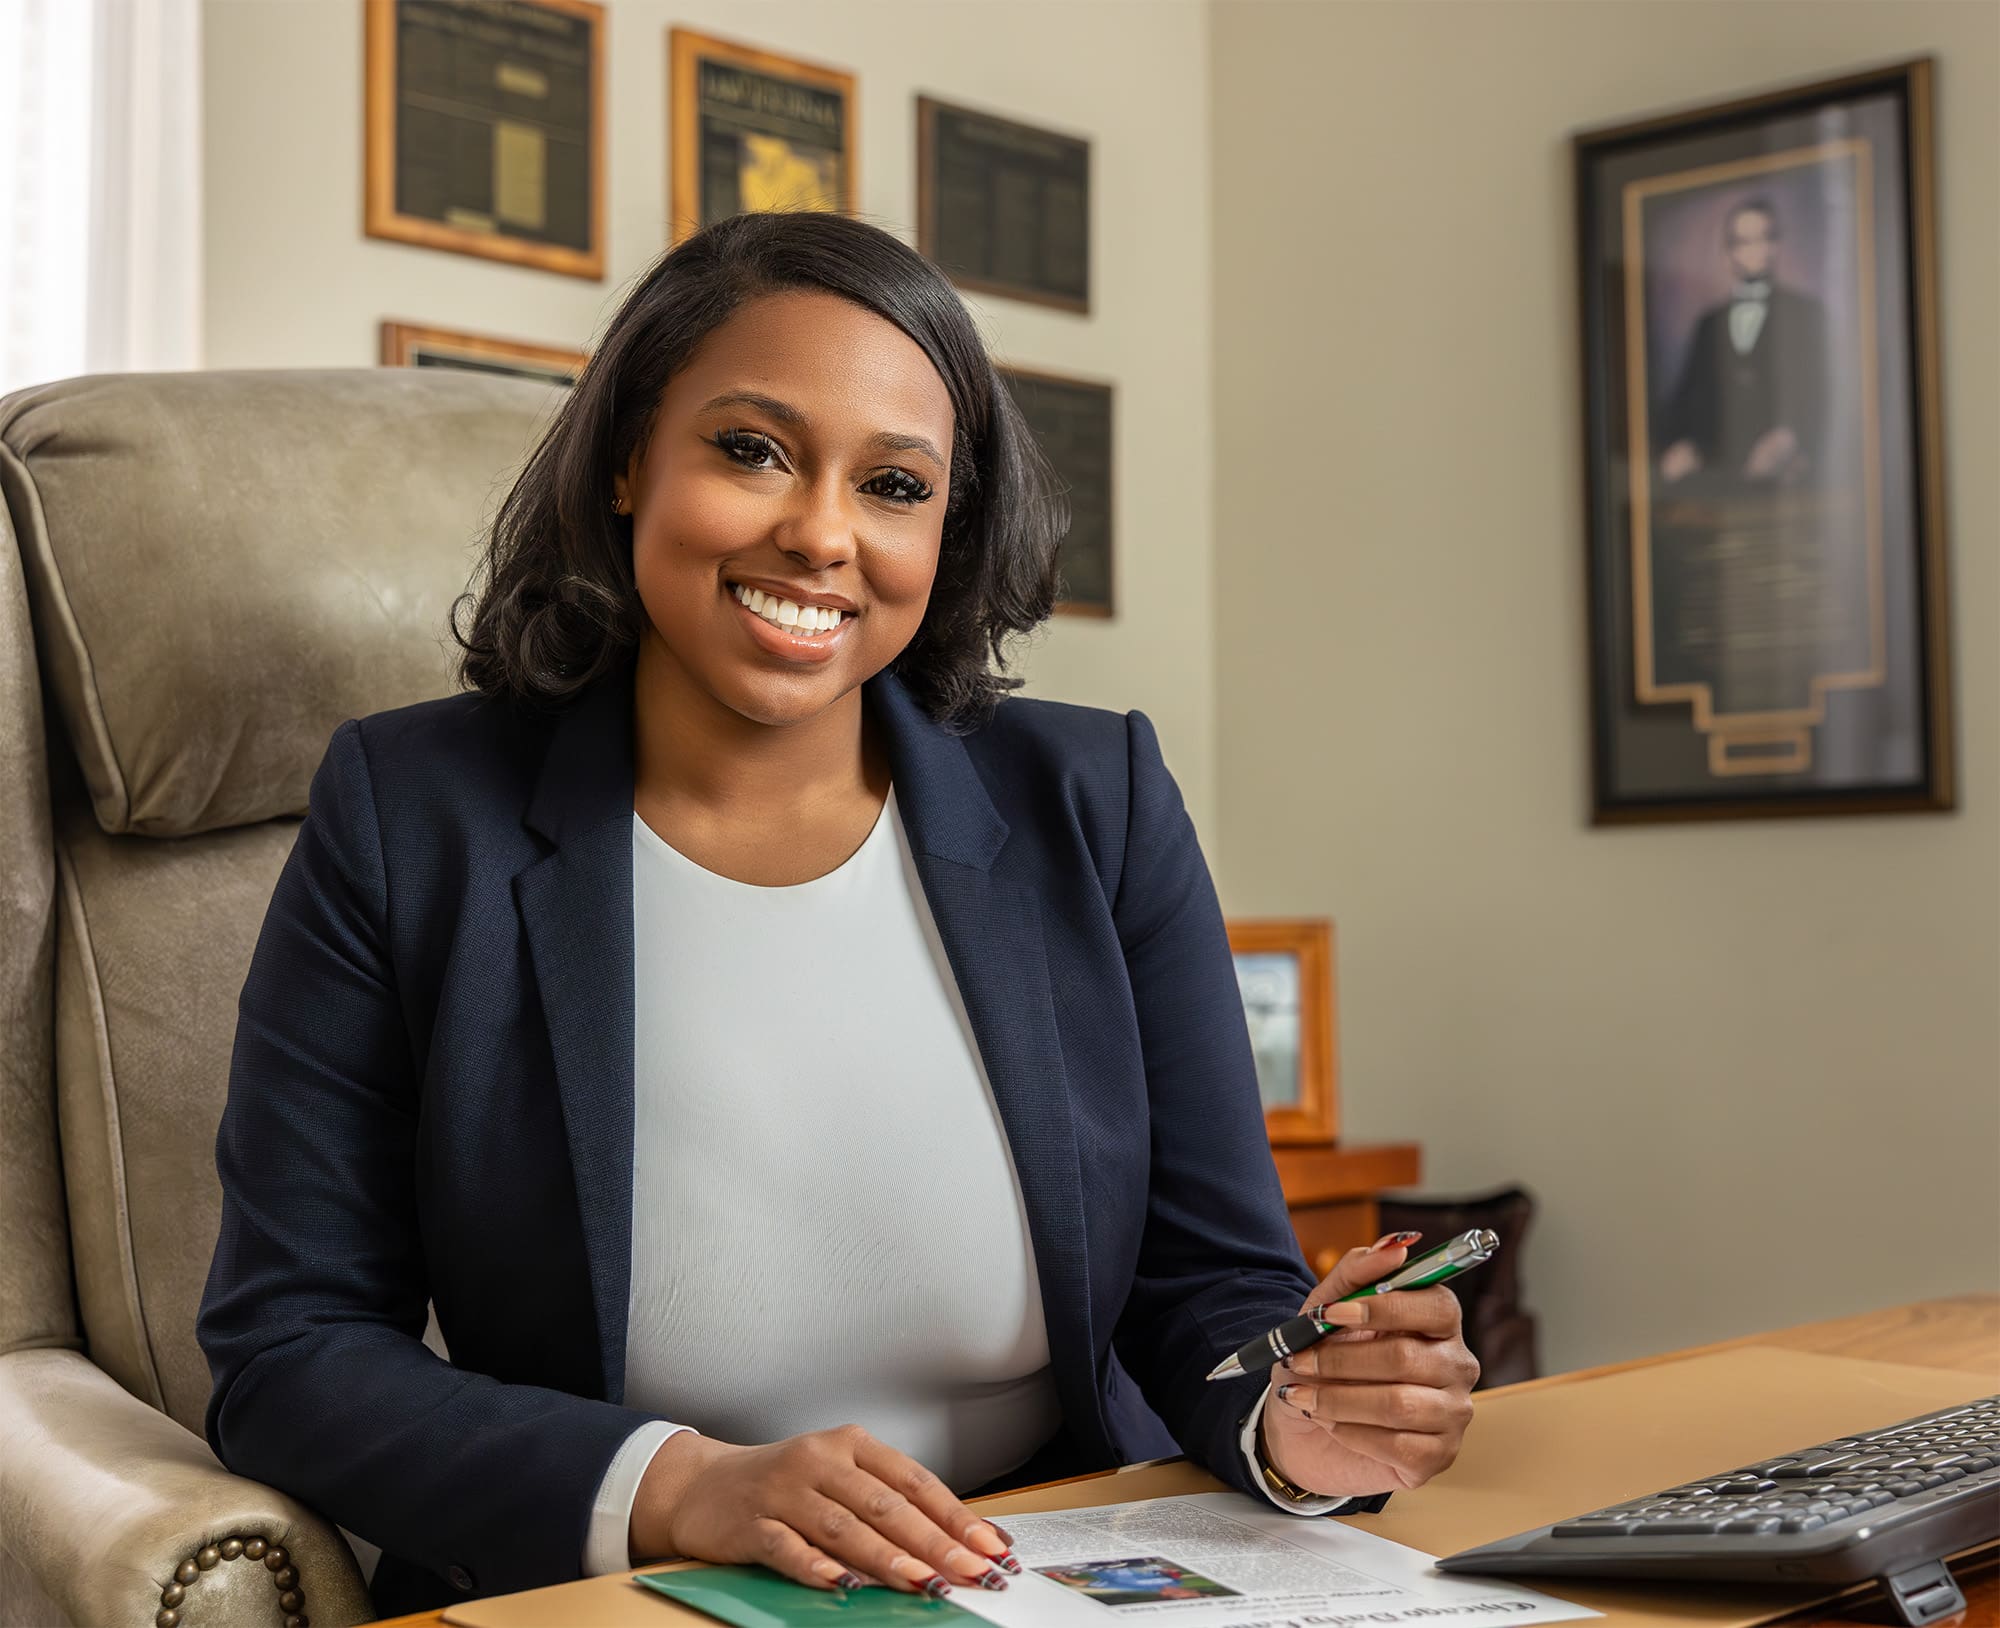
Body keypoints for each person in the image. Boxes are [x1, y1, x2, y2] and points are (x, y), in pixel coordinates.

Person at [195, 211, 1477, 1619]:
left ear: (949, 528)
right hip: (633, 1587)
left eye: (895, 485)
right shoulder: (411, 810)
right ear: (630, 457)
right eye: (751, 449)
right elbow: (289, 1347)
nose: (820, 535)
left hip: (1038, 1574)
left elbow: (1211, 1282)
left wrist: (1294, 1424)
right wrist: (678, 1485)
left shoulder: (1094, 798)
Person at [1654, 196, 1828, 489]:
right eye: (1743, 242)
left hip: (1786, 479)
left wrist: (1792, 437)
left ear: (1776, 246)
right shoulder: (1709, 324)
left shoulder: (1805, 314)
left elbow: (1824, 395)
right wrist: (1679, 445)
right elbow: (1685, 400)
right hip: (1717, 474)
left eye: (1763, 239)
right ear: (1729, 252)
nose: (1755, 251)